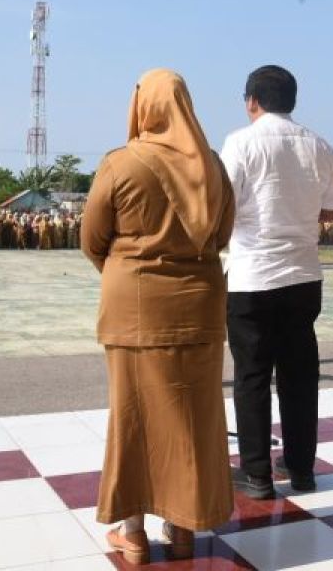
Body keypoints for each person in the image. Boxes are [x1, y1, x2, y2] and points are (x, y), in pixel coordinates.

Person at [82, 69, 236, 564]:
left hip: (137, 312)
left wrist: (131, 268)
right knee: (194, 421)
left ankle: (134, 531)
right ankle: (185, 525)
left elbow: (92, 239)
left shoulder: (121, 163)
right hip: (201, 309)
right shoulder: (211, 166)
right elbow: (224, 233)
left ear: (143, 107)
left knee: (133, 419)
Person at [220, 65, 333, 499]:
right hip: (302, 275)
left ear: (252, 100)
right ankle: (301, 468)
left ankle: (256, 474)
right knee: (299, 375)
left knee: (251, 376)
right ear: (292, 100)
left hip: (252, 274)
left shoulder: (239, 142)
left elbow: (223, 207)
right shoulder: (319, 145)